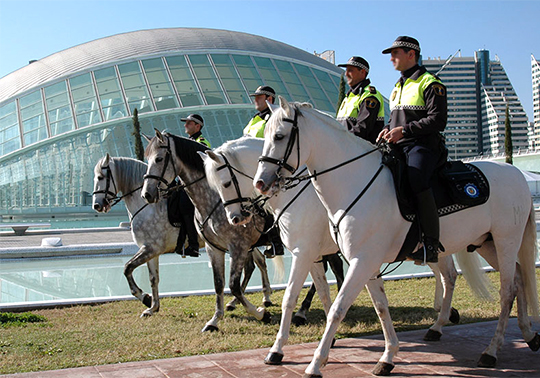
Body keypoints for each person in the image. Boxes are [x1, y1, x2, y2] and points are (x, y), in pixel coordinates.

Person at [378, 36, 448, 264]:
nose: (391, 58)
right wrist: (387, 129)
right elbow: (396, 118)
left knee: (416, 178)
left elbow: (438, 120)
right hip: (399, 145)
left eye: (395, 53)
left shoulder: (430, 82)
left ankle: (430, 243)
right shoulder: (398, 86)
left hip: (423, 146)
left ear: (411, 54)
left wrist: (404, 131)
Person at [243, 86, 284, 258]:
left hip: (268, 168)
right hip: (252, 167)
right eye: (256, 96)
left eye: (259, 97)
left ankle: (276, 243)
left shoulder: (274, 117)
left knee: (265, 202)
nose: (255, 100)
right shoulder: (254, 119)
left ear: (270, 99)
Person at [174, 114, 211, 258]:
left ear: (198, 126)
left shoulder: (202, 142)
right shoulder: (187, 142)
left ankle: (193, 245)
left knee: (186, 207)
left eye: (189, 123)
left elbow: (201, 166)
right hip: (185, 184)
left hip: (198, 187)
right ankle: (181, 242)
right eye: (186, 123)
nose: (185, 125)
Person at [336, 56, 384, 144]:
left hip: (362, 152)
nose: (346, 74)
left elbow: (363, 128)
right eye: (346, 70)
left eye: (350, 70)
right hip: (345, 149)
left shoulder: (369, 95)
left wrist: (340, 141)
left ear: (362, 72)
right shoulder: (349, 97)